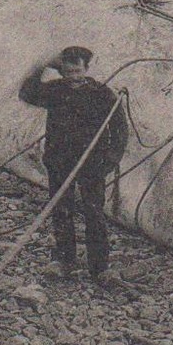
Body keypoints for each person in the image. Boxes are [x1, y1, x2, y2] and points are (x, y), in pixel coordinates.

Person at [17, 47, 128, 286]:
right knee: (61, 210)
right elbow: (27, 94)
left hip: (92, 164)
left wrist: (109, 161)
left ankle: (99, 268)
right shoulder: (55, 90)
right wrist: (42, 66)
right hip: (59, 161)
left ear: (86, 69)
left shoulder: (101, 94)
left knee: (94, 213)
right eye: (68, 72)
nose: (74, 77)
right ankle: (64, 261)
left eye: (78, 71)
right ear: (62, 71)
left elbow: (119, 130)